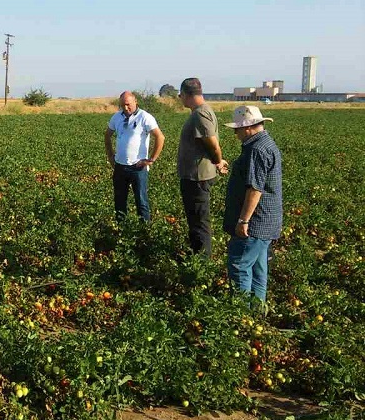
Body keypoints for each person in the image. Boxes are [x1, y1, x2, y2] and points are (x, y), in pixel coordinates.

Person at [222, 106, 282, 303]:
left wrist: (243, 220)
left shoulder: (256, 149)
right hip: (266, 221)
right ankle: (257, 311)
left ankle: (241, 313)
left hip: (255, 222)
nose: (235, 134)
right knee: (258, 268)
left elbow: (255, 189)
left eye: (237, 129)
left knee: (240, 265)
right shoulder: (266, 143)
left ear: (247, 128)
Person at [176, 78, 228, 257]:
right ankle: (196, 255)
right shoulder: (201, 112)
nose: (180, 98)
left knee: (199, 222)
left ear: (186, 94)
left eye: (180, 95)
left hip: (197, 178)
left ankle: (203, 261)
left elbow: (213, 144)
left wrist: (218, 161)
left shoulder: (201, 114)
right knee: (195, 220)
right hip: (193, 177)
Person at [104, 91, 165, 222]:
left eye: (128, 104)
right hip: (120, 166)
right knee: (119, 201)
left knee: (141, 202)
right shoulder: (116, 117)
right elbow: (107, 135)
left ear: (135, 101)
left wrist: (151, 160)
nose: (125, 108)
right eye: (122, 105)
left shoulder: (145, 117)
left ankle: (144, 230)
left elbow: (160, 137)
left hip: (138, 167)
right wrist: (110, 156)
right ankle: (121, 228)